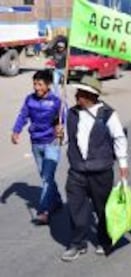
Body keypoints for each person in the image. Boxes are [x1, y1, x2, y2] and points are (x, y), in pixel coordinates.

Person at [61, 76, 128, 262]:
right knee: (75, 208)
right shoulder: (72, 113)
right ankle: (77, 244)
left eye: (80, 93)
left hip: (101, 172)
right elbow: (67, 138)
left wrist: (123, 164)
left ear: (91, 95)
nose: (76, 96)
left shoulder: (108, 114)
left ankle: (105, 240)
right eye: (77, 92)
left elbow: (119, 138)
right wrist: (59, 134)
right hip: (77, 171)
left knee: (103, 209)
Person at [11, 70, 63, 225]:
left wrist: (61, 129)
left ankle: (43, 211)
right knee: (45, 176)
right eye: (35, 84)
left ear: (48, 85)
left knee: (47, 178)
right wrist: (16, 130)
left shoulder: (57, 102)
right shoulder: (30, 99)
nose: (36, 87)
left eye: (40, 84)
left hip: (52, 143)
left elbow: (65, 120)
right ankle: (57, 200)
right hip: (36, 143)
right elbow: (23, 115)